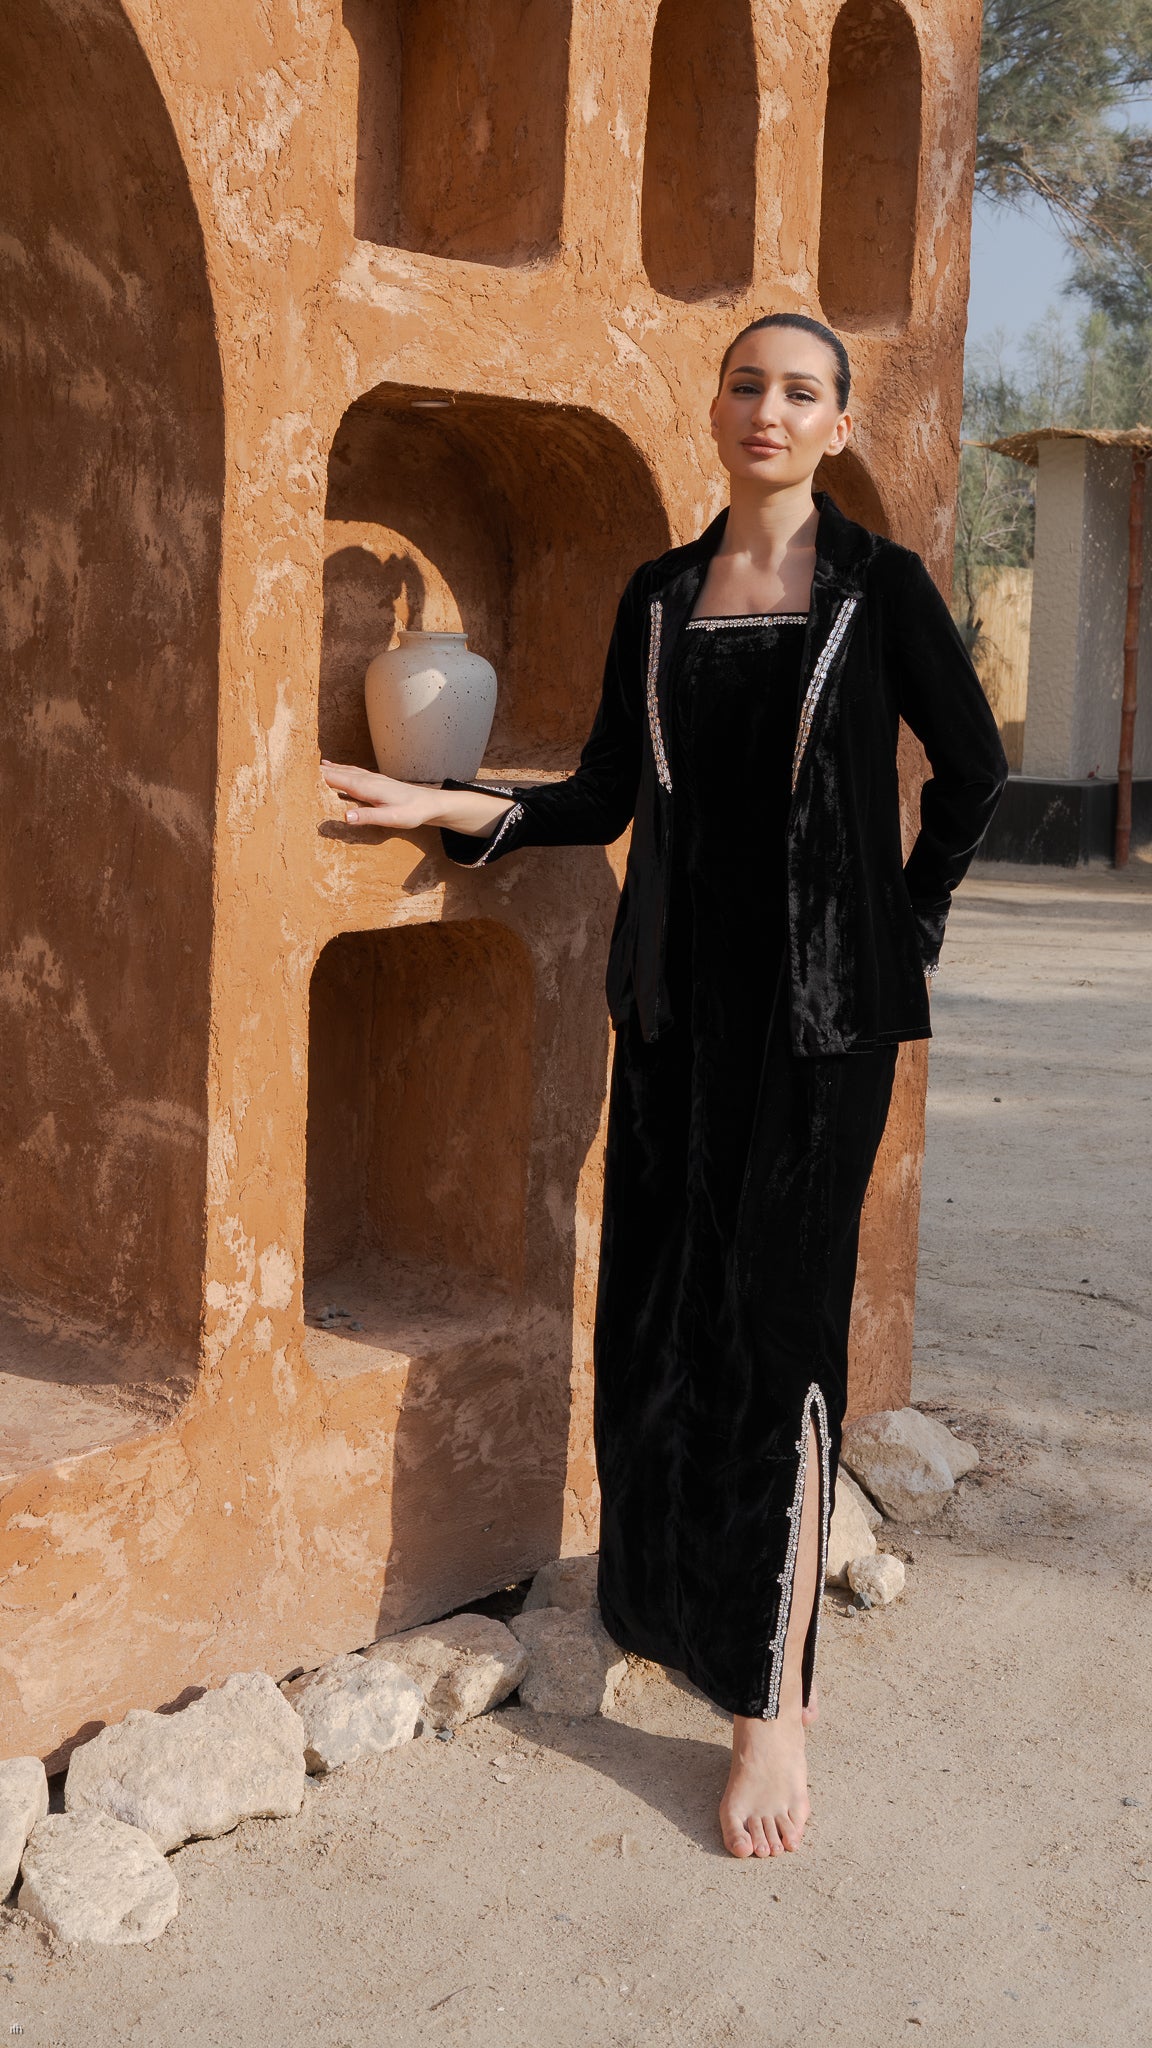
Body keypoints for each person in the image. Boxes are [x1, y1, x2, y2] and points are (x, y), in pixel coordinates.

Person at [321, 314, 1008, 1861]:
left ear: (836, 428)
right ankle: (664, 1602)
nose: (770, 410)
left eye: (804, 393)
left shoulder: (879, 594)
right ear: (717, 408)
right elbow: (607, 800)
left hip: (818, 1034)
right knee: (652, 1308)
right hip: (676, 1012)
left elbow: (972, 776)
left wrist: (900, 924)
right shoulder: (653, 599)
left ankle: (771, 1707)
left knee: (777, 1333)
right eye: (749, 384)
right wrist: (441, 801)